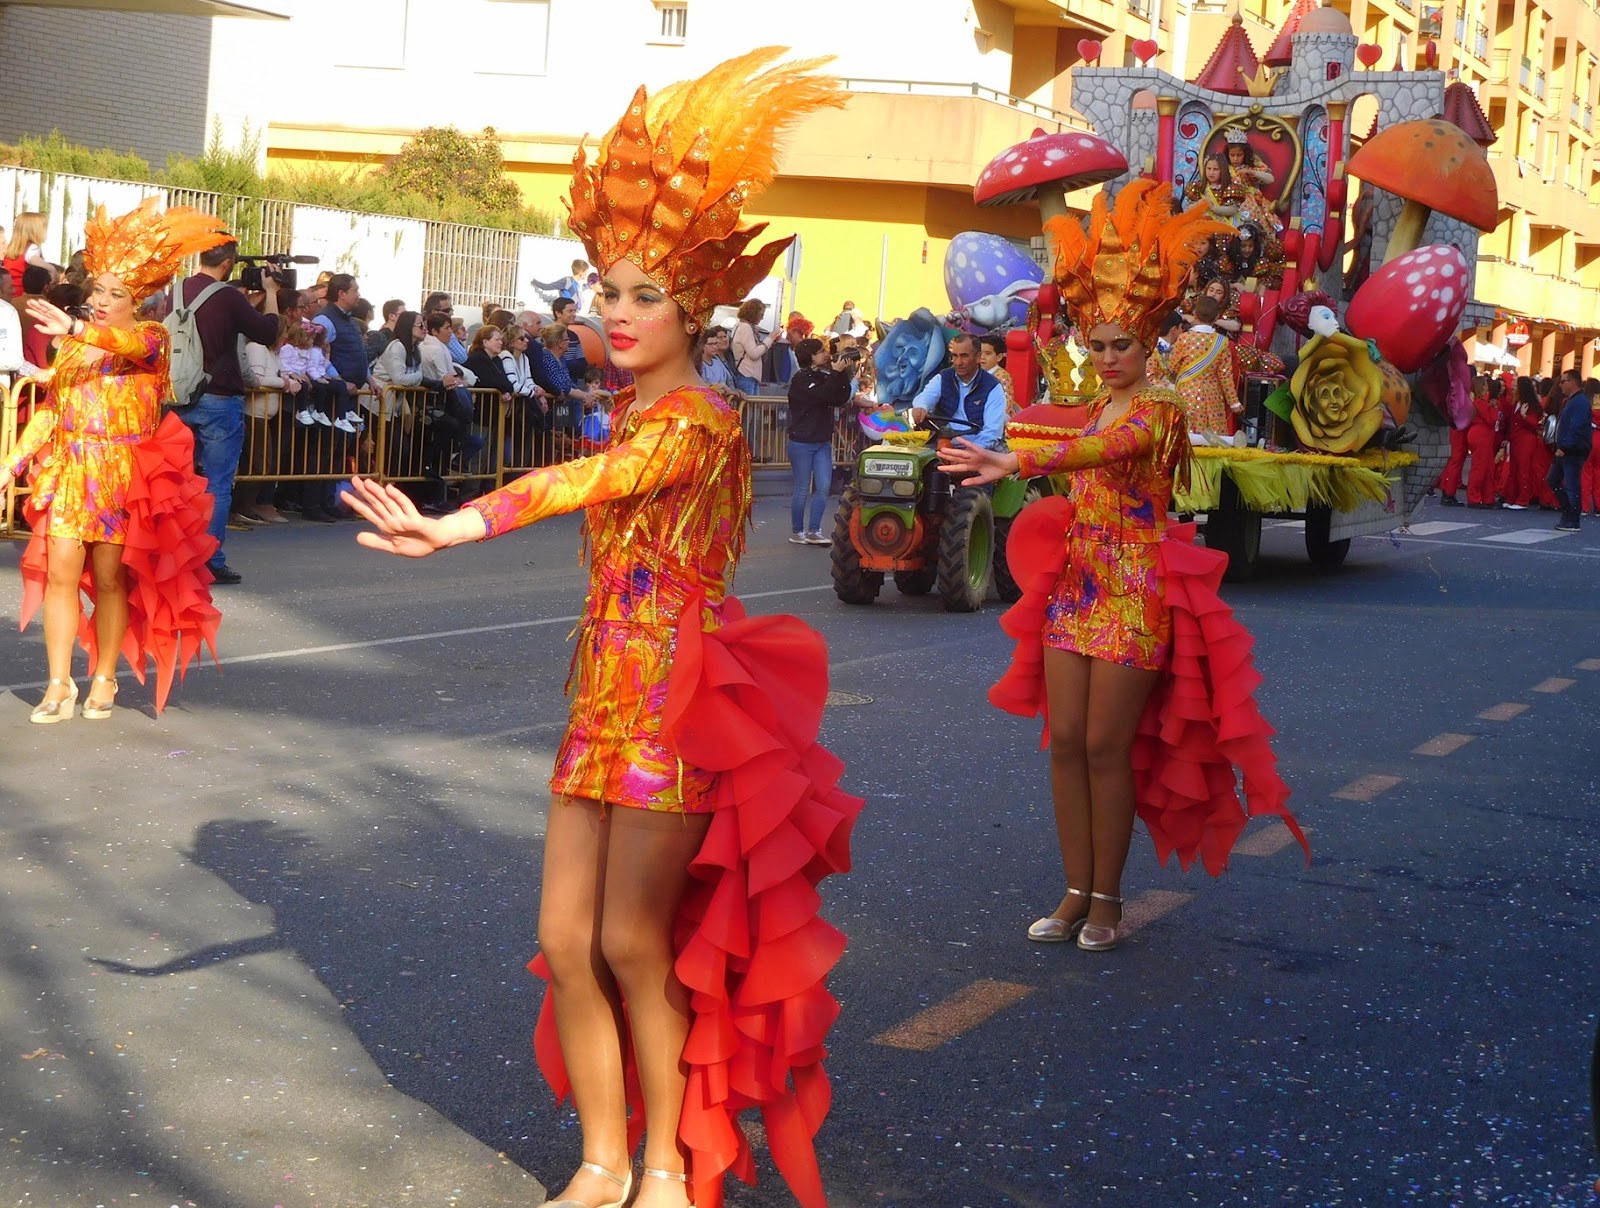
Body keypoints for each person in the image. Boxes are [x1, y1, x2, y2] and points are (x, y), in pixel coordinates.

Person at [344, 50, 859, 1208]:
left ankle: (669, 1164)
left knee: (634, 942)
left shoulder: (699, 425)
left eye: (643, 294)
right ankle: (600, 1156)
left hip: (675, 708)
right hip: (601, 700)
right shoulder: (635, 407)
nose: (615, 313)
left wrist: (460, 522)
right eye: (602, 290)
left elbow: (590, 481)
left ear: (693, 307)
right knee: (567, 941)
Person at [938, 179, 1306, 950]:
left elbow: (1103, 450)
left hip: (1135, 595)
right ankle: (1073, 891)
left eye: (1120, 346)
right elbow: (1062, 428)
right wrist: (1008, 444)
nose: (1106, 358)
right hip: (1077, 589)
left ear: (1149, 343)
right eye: (1096, 345)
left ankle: (1108, 899)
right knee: (1066, 744)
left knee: (1108, 749)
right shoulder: (1102, 401)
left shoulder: (1159, 408)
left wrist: (1015, 459)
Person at [0, 200, 227, 720]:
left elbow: (122, 343)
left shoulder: (151, 338)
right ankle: (58, 683)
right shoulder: (74, 350)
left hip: (122, 479)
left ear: (137, 298)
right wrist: (10, 466)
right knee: (59, 576)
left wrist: (76, 331)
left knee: (109, 582)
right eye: (97, 290)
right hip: (70, 473)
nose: (100, 301)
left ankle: (104, 675)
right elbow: (53, 413)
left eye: (114, 293)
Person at [173, 236, 281, 584]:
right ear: (229, 263)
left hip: (177, 395)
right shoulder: (228, 296)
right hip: (219, 396)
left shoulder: (177, 291)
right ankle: (210, 560)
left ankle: (173, 553)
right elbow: (266, 331)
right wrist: (273, 293)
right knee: (218, 484)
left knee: (177, 481)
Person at [785, 336, 852, 544]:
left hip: (822, 441)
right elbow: (821, 395)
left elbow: (839, 397)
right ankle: (798, 531)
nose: (826, 354)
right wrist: (834, 374)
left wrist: (842, 376)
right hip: (801, 442)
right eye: (821, 351)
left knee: (823, 485)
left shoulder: (824, 376)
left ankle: (814, 530)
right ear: (811, 357)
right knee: (803, 488)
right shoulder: (800, 379)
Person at [906, 332, 1008, 450]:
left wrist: (970, 451)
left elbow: (992, 432)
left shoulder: (993, 386)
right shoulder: (943, 377)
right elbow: (926, 397)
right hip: (941, 443)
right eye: (955, 356)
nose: (958, 362)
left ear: (978, 357)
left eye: (964, 356)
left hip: (978, 448)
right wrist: (921, 407)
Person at [1167, 295, 1241, 435]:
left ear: (1195, 314)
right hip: (1212, 396)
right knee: (1212, 440)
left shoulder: (1184, 338)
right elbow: (1225, 376)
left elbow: (1172, 367)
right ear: (1217, 317)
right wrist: (1234, 403)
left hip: (1185, 394)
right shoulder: (1222, 342)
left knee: (1184, 437)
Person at [1551, 368, 1592, 531]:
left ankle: (1573, 518)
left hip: (1572, 450)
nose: (1560, 385)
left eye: (1563, 381)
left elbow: (1576, 427)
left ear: (1573, 382)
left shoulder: (1579, 402)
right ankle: (1568, 512)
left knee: (1571, 484)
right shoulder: (1572, 400)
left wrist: (1565, 446)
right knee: (1553, 480)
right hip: (1566, 448)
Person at [1464, 373, 1499, 508]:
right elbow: (1491, 419)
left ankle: (1486, 497)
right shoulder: (1480, 403)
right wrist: (1494, 409)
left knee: (1487, 467)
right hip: (1482, 435)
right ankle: (1475, 498)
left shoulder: (1480, 403)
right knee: (1480, 467)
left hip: (1481, 435)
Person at [730, 298, 774, 394]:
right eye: (761, 314)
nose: (762, 318)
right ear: (754, 313)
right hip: (747, 374)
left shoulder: (739, 326)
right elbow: (754, 354)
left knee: (750, 407)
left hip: (746, 374)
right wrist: (769, 339)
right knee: (750, 407)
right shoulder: (746, 328)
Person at [3, 211, 50, 294]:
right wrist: (51, 269)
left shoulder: (13, 249)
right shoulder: (33, 247)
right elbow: (33, 259)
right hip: (24, 294)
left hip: (10, 292)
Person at [977, 333, 1017, 415]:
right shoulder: (973, 373)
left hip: (996, 415)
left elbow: (1007, 403)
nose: (982, 357)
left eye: (988, 353)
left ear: (999, 357)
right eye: (980, 353)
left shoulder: (1003, 377)